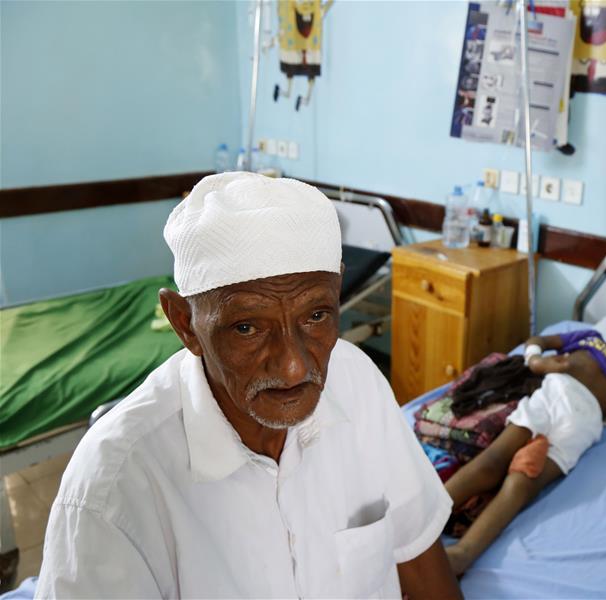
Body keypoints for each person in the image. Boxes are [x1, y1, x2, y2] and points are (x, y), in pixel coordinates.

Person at [35, 172, 461, 599]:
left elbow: (417, 549)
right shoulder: (113, 487)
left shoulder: (357, 381)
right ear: (184, 324)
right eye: (246, 328)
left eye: (316, 316)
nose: (294, 368)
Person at [443, 313, 606, 575]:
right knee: (492, 461)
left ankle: (463, 554)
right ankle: (423, 516)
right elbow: (538, 339)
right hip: (554, 393)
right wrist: (536, 361)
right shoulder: (591, 339)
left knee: (523, 480)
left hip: (583, 422)